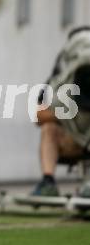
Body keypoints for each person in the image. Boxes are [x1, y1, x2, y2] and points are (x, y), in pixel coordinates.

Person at [31, 26, 90, 197]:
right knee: (49, 128)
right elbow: (38, 115)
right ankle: (48, 182)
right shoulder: (60, 80)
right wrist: (68, 112)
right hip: (74, 139)